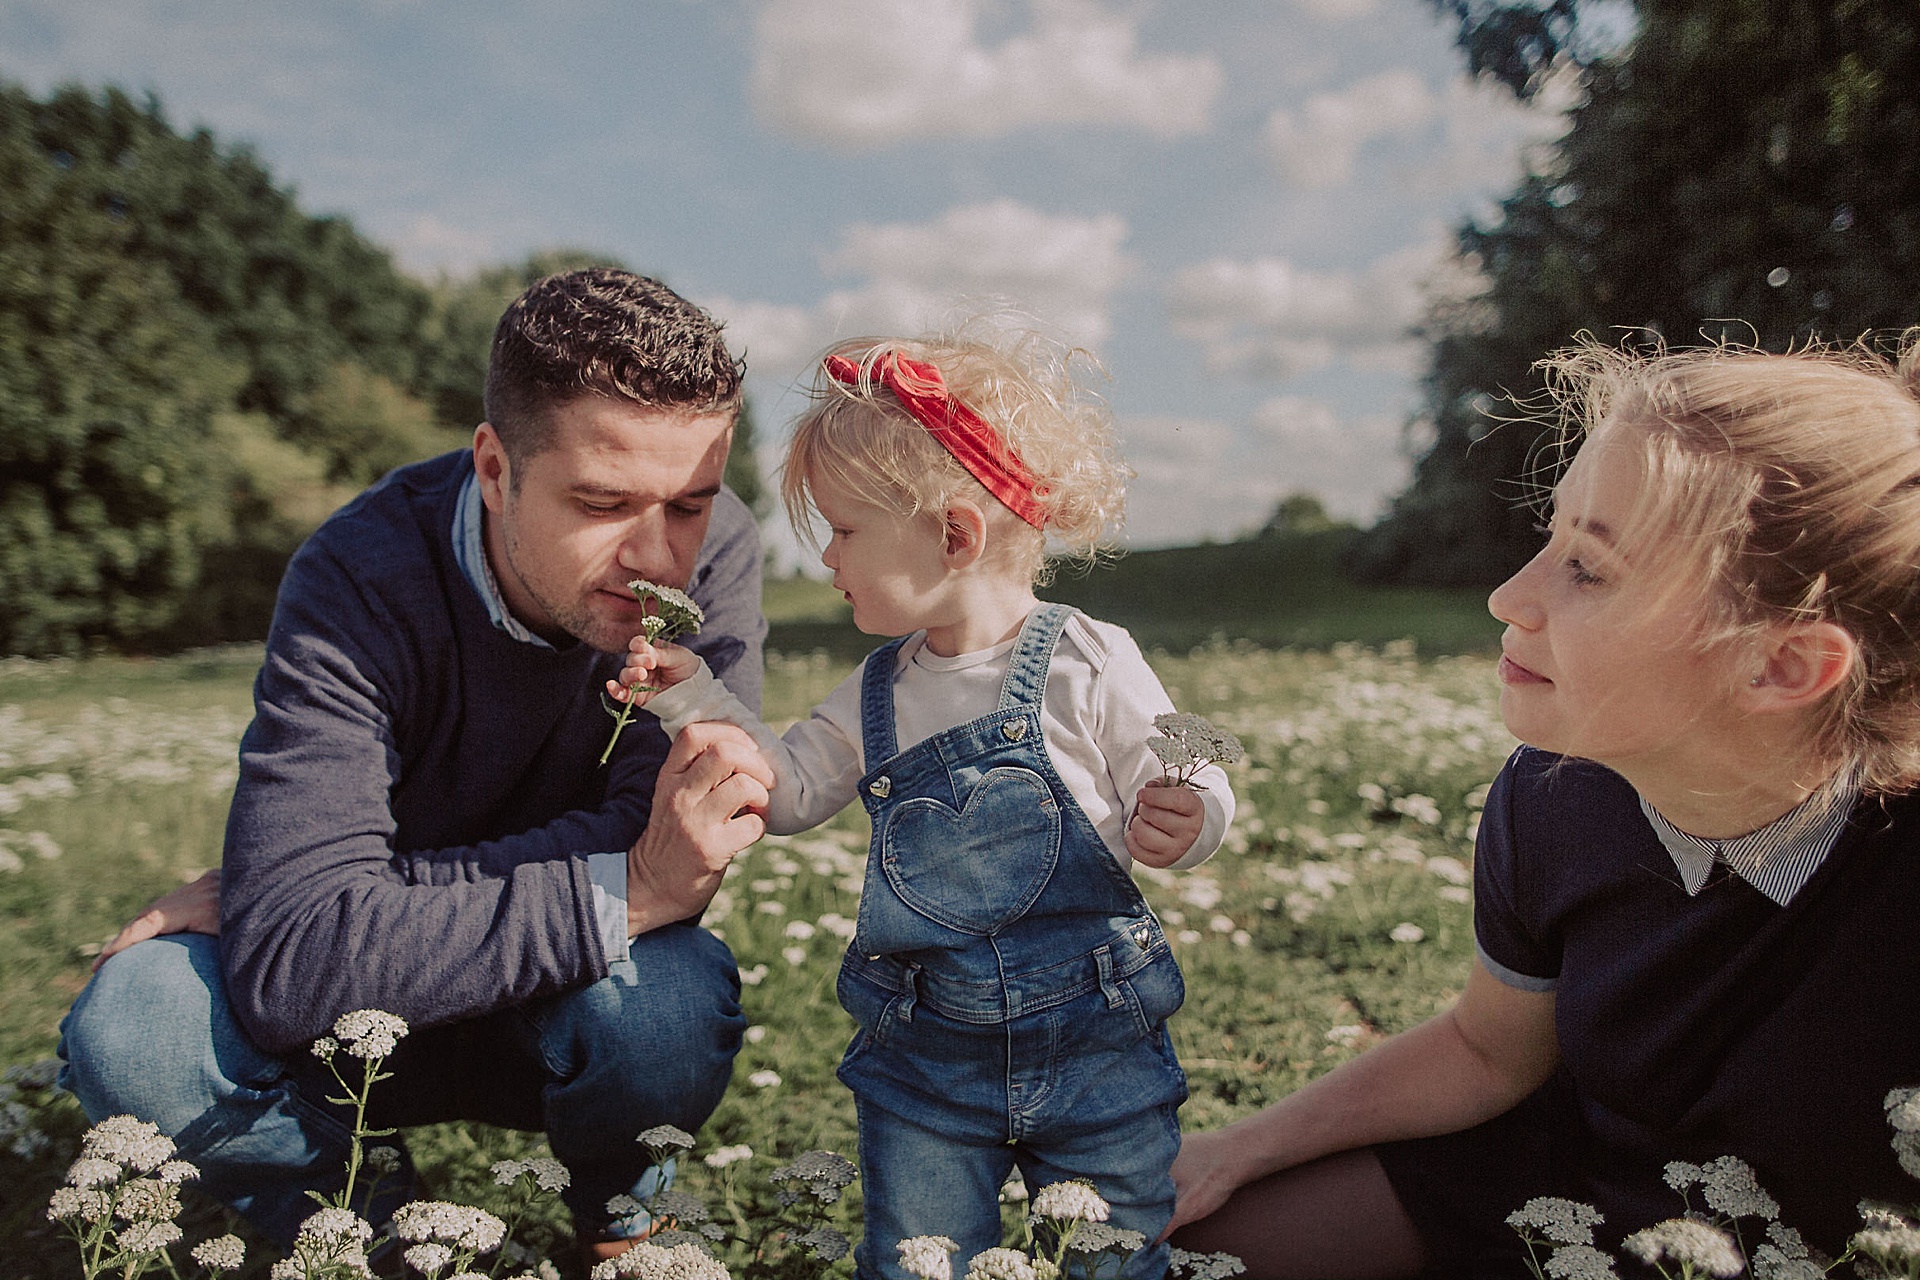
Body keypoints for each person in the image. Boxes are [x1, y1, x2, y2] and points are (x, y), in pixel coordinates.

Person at [56, 268, 777, 1260]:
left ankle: (621, 1219)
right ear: (493, 466)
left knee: (669, 995)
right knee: (142, 1019)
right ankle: (377, 1227)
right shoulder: (356, 577)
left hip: (556, 1005)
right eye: (603, 501)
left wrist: (349, 896)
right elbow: (291, 965)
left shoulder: (717, 556)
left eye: (690, 503)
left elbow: (671, 856)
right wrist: (622, 883)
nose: (658, 555)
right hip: (346, 1029)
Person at [1165, 335, 1920, 1277]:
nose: (1507, 597)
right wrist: (1235, 1150)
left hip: (1794, 1250)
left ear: (1780, 666)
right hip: (1559, 1190)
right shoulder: (1552, 793)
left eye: (1590, 569)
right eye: (1551, 536)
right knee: (1173, 1246)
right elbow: (1487, 1053)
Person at [608, 325, 1237, 1280]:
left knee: (1113, 1254)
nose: (829, 563)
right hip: (928, 1055)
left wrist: (1192, 819)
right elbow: (785, 790)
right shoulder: (875, 692)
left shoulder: (1089, 659)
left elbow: (1185, 771)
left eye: (846, 533)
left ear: (955, 534)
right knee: (918, 1258)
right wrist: (690, 694)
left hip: (1097, 1046)